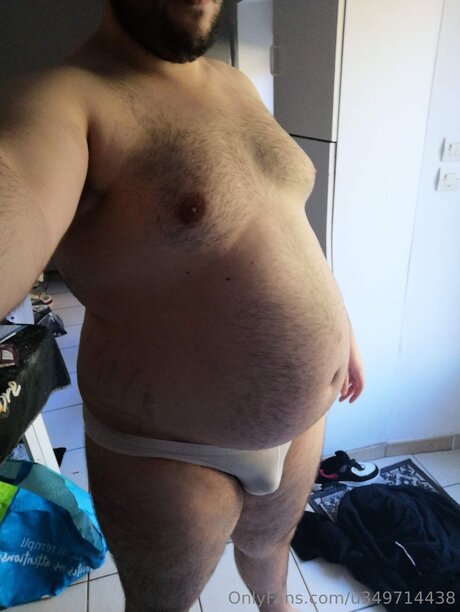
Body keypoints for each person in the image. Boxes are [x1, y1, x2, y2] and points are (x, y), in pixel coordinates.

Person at [0, 1, 365, 610]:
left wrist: (340, 327)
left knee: (269, 553)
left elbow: (279, 220)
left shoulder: (236, 84)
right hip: (169, 451)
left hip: (302, 426)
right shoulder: (66, 100)